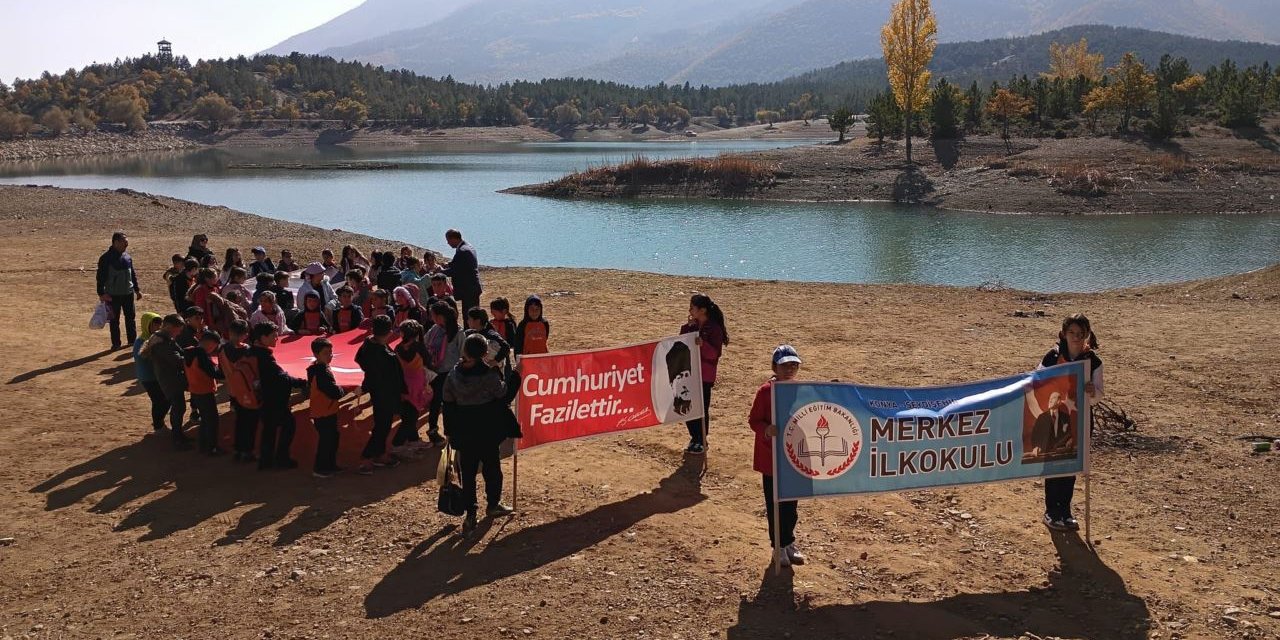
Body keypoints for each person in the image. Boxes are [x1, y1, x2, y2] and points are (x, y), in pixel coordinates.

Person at [444, 334, 518, 534]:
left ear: (465, 352)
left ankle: (471, 513)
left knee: (467, 473)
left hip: (464, 433)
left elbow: (448, 405)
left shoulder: (453, 376)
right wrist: (516, 376)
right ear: (485, 353)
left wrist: (449, 431)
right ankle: (493, 504)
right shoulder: (489, 376)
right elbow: (503, 395)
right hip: (487, 432)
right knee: (492, 469)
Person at [1037, 313, 1104, 532]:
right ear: (1064, 334)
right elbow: (1037, 382)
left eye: (1081, 334)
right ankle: (1051, 512)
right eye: (1072, 333)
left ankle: (1065, 512)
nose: (1076, 338)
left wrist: (1092, 392)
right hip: (1055, 419)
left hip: (1080, 420)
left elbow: (1097, 396)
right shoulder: (1052, 357)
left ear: (1087, 336)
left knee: (1071, 466)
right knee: (1055, 464)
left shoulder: (1093, 362)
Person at [748, 345, 807, 567]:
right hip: (771, 459)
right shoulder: (765, 392)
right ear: (775, 367)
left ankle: (789, 541)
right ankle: (778, 546)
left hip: (794, 459)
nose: (790, 369)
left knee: (791, 505)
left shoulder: (801, 389)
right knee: (775, 504)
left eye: (794, 365)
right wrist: (766, 429)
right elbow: (754, 420)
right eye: (785, 365)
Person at [250, 322, 306, 470]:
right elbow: (282, 378)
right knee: (288, 425)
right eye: (274, 336)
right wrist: (301, 382)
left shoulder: (253, 352)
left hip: (262, 398)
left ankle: (266, 460)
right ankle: (282, 459)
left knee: (269, 430)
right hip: (273, 400)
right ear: (263, 337)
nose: (277, 338)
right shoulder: (264, 357)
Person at [355, 315, 406, 474]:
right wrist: (401, 394)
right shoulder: (386, 356)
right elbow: (395, 379)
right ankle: (367, 457)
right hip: (386, 394)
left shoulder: (368, 344)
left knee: (382, 424)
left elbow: (362, 362)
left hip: (377, 392)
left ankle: (380, 453)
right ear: (389, 332)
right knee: (382, 426)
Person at [680, 294, 729, 455]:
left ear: (702, 310)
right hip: (689, 372)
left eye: (692, 307)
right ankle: (694, 437)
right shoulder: (691, 325)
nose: (689, 310)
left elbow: (715, 354)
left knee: (701, 408)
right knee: (685, 404)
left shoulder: (714, 328)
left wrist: (703, 345)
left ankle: (701, 439)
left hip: (705, 375)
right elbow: (682, 343)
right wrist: (688, 328)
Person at [143, 314, 192, 449]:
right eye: (178, 329)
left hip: (170, 377)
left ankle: (178, 435)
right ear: (170, 327)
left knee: (178, 407)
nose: (179, 332)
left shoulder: (163, 338)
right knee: (178, 407)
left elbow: (178, 352)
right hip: (169, 379)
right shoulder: (162, 342)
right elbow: (176, 359)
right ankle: (177, 438)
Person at [393, 320, 436, 454]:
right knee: (411, 416)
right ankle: (397, 444)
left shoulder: (398, 348)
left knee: (408, 414)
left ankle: (413, 439)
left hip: (403, 384)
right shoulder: (419, 347)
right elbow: (430, 362)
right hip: (418, 384)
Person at [219, 319, 258, 463]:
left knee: (240, 421)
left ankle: (238, 449)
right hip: (247, 392)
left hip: (233, 391)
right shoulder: (247, 351)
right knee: (249, 423)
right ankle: (247, 451)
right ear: (245, 335)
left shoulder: (222, 350)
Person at [97, 231, 143, 349]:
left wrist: (137, 290)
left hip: (128, 293)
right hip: (113, 294)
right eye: (124, 242)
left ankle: (132, 341)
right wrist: (101, 293)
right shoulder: (105, 258)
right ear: (116, 242)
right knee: (114, 320)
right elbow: (100, 277)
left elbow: (132, 273)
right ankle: (116, 344)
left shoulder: (127, 257)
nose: (127, 244)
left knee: (130, 318)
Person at [425, 301, 463, 445]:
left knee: (449, 404)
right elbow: (425, 343)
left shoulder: (458, 332)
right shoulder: (434, 330)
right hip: (435, 373)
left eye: (433, 315)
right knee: (435, 403)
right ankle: (433, 430)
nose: (432, 318)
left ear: (441, 316)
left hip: (451, 374)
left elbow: (463, 353)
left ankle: (451, 432)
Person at [308, 337, 346, 478]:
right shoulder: (321, 372)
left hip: (325, 411)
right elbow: (334, 392)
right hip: (324, 412)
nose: (330, 355)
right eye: (326, 353)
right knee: (327, 440)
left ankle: (330, 465)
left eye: (331, 352)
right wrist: (343, 390)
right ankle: (320, 468)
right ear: (316, 354)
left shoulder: (318, 369)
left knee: (332, 438)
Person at [184, 330, 225, 456]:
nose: (213, 350)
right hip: (204, 391)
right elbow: (214, 373)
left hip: (195, 390)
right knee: (212, 420)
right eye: (214, 346)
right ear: (210, 343)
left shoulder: (189, 351)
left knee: (205, 419)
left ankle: (203, 445)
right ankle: (211, 448)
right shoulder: (201, 355)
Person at [133, 312, 169, 433]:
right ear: (147, 325)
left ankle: (159, 422)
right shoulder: (140, 342)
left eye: (160, 324)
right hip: (148, 377)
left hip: (158, 375)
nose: (158, 327)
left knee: (165, 399)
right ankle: (158, 425)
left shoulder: (158, 338)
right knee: (159, 400)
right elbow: (143, 358)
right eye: (155, 325)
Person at [440, 229, 482, 313]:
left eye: (448, 240)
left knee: (469, 315)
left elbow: (456, 271)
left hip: (468, 289)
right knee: (474, 313)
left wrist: (441, 272)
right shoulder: (468, 247)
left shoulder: (462, 251)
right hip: (472, 287)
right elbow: (462, 264)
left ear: (453, 239)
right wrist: (448, 264)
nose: (448, 243)